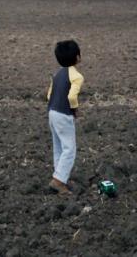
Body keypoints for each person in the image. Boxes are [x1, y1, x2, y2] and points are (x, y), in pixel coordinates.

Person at [46, 39, 84, 195]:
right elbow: (72, 96)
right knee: (69, 148)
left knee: (59, 147)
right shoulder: (77, 76)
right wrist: (75, 109)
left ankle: (60, 175)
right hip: (63, 114)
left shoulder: (56, 74)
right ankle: (59, 181)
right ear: (77, 57)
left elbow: (49, 95)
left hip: (52, 112)